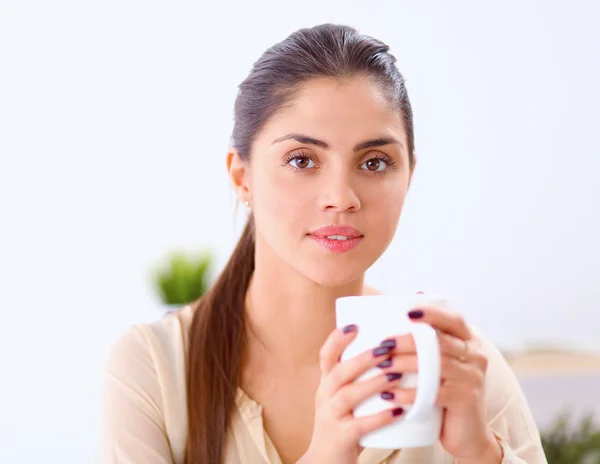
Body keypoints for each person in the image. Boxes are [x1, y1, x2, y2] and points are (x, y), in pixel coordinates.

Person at [101, 23, 547, 464]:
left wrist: (484, 454)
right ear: (242, 177)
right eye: (301, 160)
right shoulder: (154, 369)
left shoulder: (461, 370)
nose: (341, 198)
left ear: (409, 175)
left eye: (374, 162)